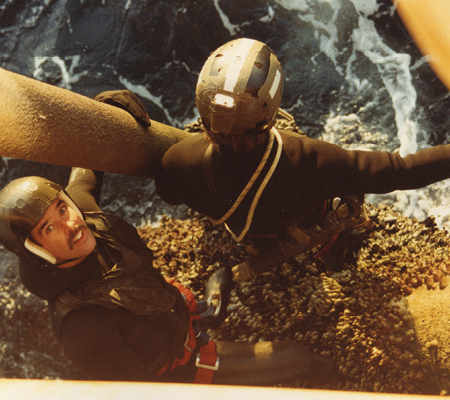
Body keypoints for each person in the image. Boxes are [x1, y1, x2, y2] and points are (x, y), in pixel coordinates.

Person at [0, 166, 337, 385]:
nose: (72, 224)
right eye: (50, 227)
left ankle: (204, 313)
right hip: (184, 367)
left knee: (223, 280)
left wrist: (109, 104)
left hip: (176, 316)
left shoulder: (87, 219)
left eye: (62, 207)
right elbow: (144, 394)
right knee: (299, 358)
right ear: (36, 251)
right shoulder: (83, 329)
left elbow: (86, 171)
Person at [154, 38, 450, 281]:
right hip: (300, 222)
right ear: (270, 110)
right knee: (350, 188)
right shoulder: (309, 159)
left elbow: (168, 194)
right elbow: (400, 171)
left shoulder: (177, 161)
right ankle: (337, 252)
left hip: (249, 233)